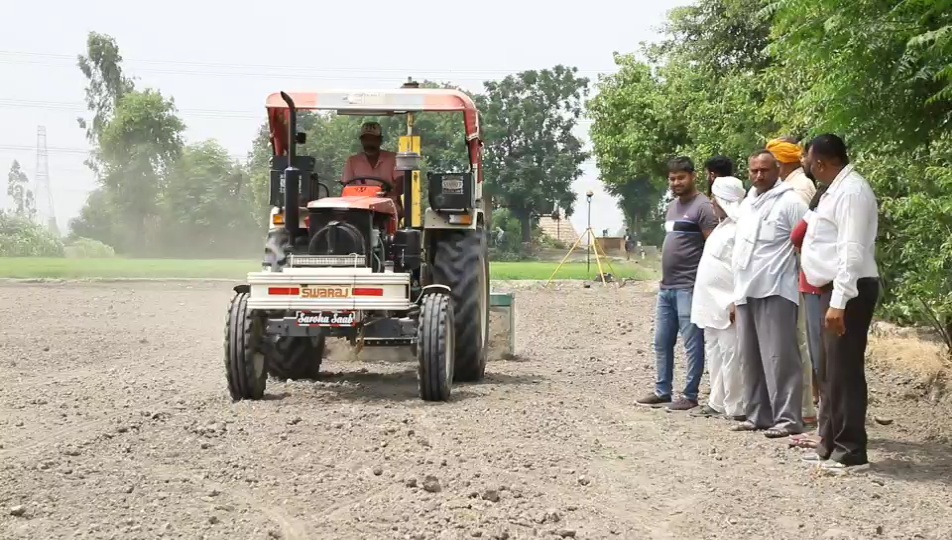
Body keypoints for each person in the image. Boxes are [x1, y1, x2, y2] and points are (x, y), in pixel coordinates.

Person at [799, 134, 880, 473]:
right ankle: (829, 444)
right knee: (830, 371)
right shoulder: (833, 190)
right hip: (831, 289)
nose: (806, 165)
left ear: (820, 162)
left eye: (808, 159)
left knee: (844, 371)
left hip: (849, 290)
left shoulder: (852, 192)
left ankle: (851, 452)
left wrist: (840, 301)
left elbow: (851, 250)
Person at [730, 150, 808, 438]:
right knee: (750, 358)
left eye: (765, 170)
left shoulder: (791, 202)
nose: (759, 175)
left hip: (776, 288)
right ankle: (757, 415)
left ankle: (788, 420)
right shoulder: (748, 203)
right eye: (754, 170)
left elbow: (807, 242)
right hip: (746, 289)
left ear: (777, 170)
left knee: (780, 358)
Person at [636, 157, 719, 411]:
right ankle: (663, 391)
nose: (676, 183)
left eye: (681, 177)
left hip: (689, 287)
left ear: (693, 176)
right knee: (662, 342)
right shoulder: (672, 207)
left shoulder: (704, 207)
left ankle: (690, 395)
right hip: (667, 288)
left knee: (692, 343)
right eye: (672, 179)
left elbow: (714, 248)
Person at [766, 137, 818, 429]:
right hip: (788, 275)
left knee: (798, 341)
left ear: (779, 163)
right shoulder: (791, 184)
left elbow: (802, 236)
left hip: (796, 274)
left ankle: (805, 407)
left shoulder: (799, 188)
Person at [689, 176, 747, 421]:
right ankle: (716, 401)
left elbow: (742, 269)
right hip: (710, 304)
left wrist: (736, 301)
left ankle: (737, 406)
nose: (712, 203)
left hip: (728, 303)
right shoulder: (722, 227)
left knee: (732, 355)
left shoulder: (741, 229)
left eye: (715, 199)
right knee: (715, 354)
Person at [788, 181, 831, 450]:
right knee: (824, 360)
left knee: (823, 360)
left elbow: (796, 236)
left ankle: (827, 429)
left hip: (818, 288)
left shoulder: (819, 213)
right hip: (824, 288)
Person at [341, 121, 405, 217]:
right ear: (361, 141)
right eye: (366, 139)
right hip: (360, 207)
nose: (369, 143)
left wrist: (389, 190)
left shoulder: (393, 158)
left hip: (387, 206)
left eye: (373, 139)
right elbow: (347, 186)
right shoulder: (352, 161)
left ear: (380, 140)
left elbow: (401, 184)